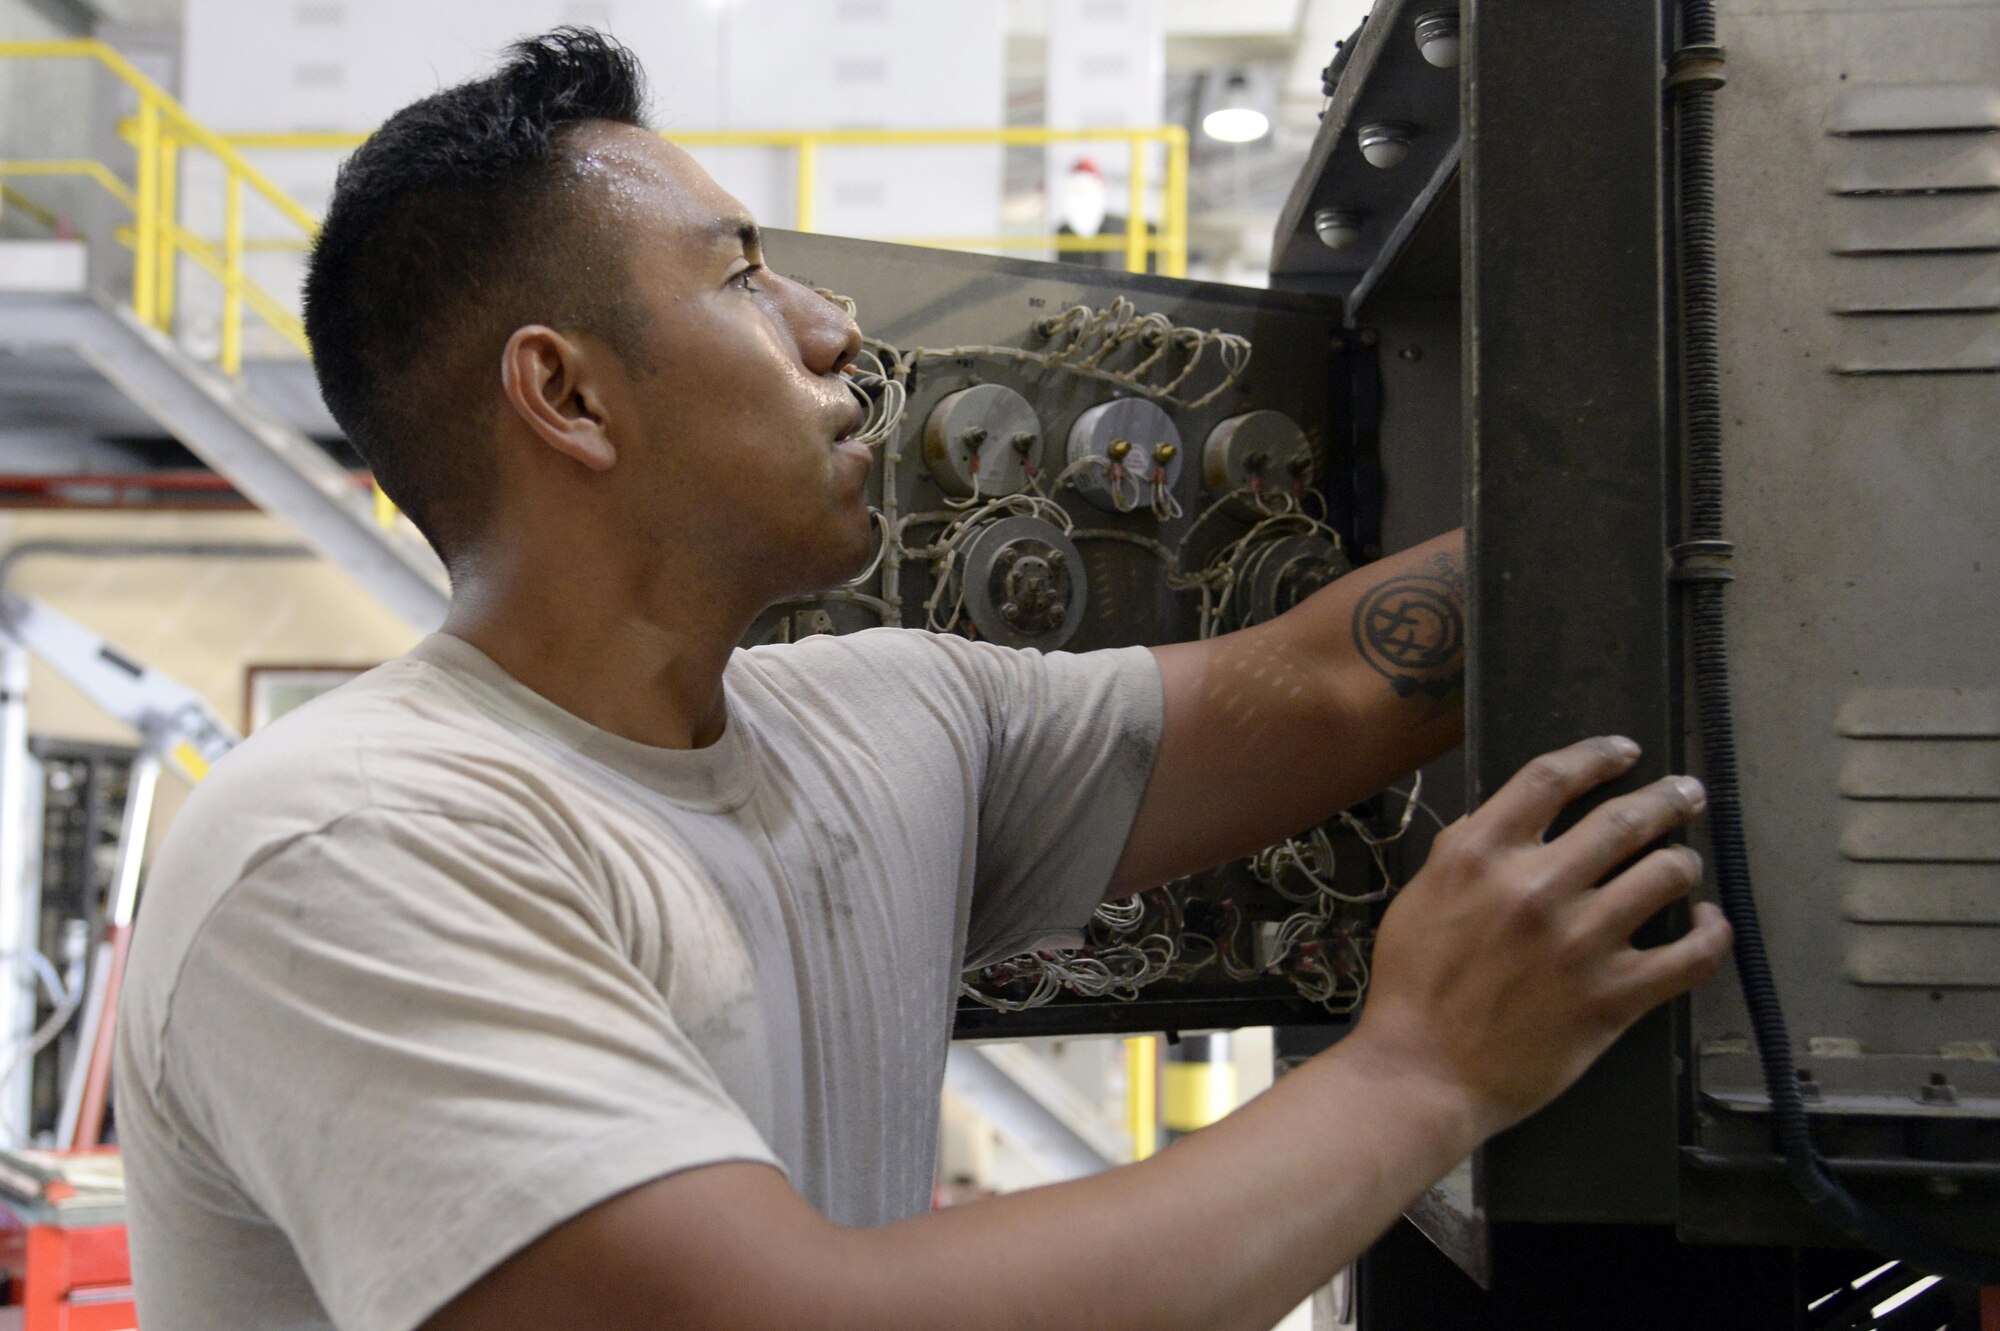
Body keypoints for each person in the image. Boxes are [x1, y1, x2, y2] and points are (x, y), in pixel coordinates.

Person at [114, 28, 1731, 1331]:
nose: (834, 328)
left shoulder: (882, 724)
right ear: (570, 397)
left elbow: (1324, 687)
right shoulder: (351, 849)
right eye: (743, 276)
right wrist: (1419, 1072)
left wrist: (1738, 468)